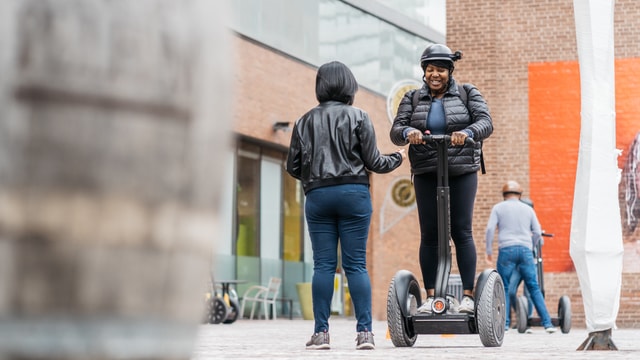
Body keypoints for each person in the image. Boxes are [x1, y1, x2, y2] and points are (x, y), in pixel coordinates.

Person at [286, 61, 406, 350]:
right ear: (350, 86)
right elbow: (375, 163)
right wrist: (398, 158)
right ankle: (365, 333)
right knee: (356, 264)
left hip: (318, 196)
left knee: (324, 266)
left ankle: (321, 334)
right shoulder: (360, 117)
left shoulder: (304, 121)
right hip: (354, 193)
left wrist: (314, 178)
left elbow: (292, 166)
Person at [390, 43, 493, 314]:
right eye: (430, 70)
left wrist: (468, 132)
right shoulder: (412, 98)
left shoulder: (467, 92)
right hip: (426, 170)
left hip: (461, 170)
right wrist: (409, 132)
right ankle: (432, 297)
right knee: (430, 234)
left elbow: (486, 123)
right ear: (424, 72)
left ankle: (468, 297)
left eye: (441, 70)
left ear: (450, 71)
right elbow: (396, 130)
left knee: (461, 230)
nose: (435, 75)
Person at [485, 180, 557, 333]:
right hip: (525, 250)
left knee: (503, 286)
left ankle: (504, 324)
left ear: (504, 194)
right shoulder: (528, 209)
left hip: (506, 249)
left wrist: (489, 251)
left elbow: (490, 229)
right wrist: (530, 245)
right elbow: (537, 232)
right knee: (534, 287)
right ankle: (548, 324)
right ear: (520, 194)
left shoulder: (498, 208)